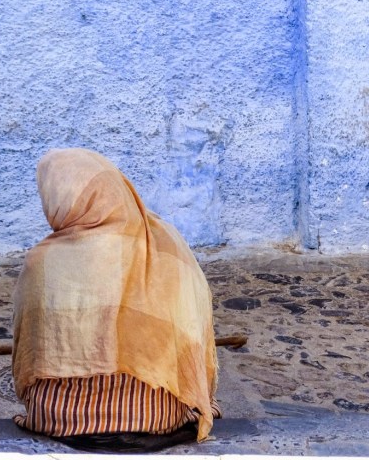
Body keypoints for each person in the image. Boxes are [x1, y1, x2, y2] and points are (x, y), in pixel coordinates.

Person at [11, 148, 220, 450]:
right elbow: (195, 333)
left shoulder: (42, 262)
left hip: (60, 418)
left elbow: (27, 355)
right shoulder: (167, 244)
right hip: (156, 417)